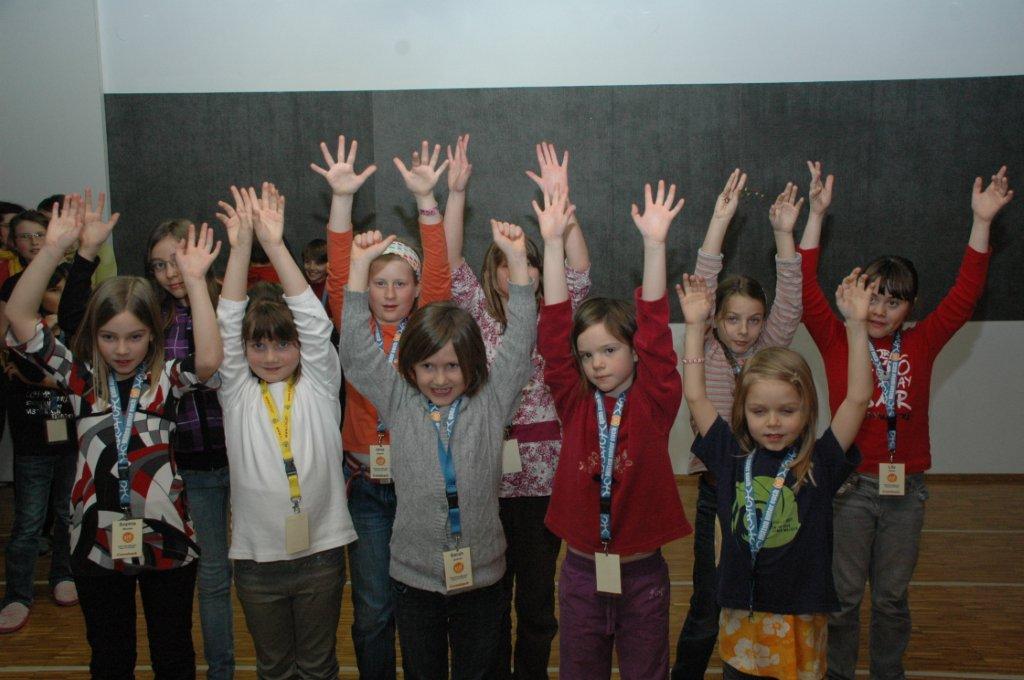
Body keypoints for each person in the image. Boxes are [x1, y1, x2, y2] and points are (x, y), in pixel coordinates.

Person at [796, 163, 1015, 680]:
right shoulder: (836, 337)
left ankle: (888, 673)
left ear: (909, 308)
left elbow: (965, 294)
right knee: (844, 599)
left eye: (893, 302)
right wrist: (816, 216)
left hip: (906, 491)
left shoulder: (922, 341)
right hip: (849, 488)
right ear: (858, 294)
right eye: (873, 296)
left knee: (892, 600)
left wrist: (982, 222)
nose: (880, 310)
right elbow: (803, 286)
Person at [5, 195, 222, 679]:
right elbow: (19, 319)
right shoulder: (80, 379)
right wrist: (52, 249)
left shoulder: (165, 379)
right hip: (95, 541)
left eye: (135, 337)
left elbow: (208, 359)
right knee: (109, 655)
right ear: (93, 337)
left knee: (174, 653)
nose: (122, 349)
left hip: (168, 538)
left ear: (153, 335)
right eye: (109, 337)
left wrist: (195, 281)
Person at [340, 211, 537, 680]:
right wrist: (357, 271)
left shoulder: (492, 402)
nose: (441, 378)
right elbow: (355, 352)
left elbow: (521, 339)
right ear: (410, 368)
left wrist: (517, 263)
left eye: (452, 366)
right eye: (428, 366)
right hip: (414, 582)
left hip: (482, 579)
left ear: (473, 364)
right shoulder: (399, 399)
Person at [680, 264, 875, 680]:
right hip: (743, 612)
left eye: (787, 411)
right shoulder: (729, 456)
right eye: (759, 411)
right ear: (742, 411)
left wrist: (857, 327)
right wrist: (694, 327)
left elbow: (858, 399)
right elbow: (695, 395)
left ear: (807, 411)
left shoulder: (819, 462)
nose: (772, 422)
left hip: (799, 615)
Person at [444, 138, 591, 679]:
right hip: (484, 474)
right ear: (493, 273)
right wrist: (455, 193)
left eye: (528, 260)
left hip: (543, 479)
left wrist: (563, 209)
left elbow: (578, 271)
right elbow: (450, 260)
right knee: (488, 596)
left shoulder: (555, 316)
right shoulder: (476, 314)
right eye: (508, 263)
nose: (519, 270)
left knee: (535, 600)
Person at [537, 181, 691, 679]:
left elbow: (656, 329)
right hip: (582, 574)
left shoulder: (654, 400)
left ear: (634, 351)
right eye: (587, 355)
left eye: (609, 350)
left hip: (642, 577)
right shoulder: (575, 401)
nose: (597, 364)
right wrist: (553, 244)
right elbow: (554, 333)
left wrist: (654, 245)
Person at [314, 134, 451, 680]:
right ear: (364, 288)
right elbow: (338, 275)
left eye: (401, 284)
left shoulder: (426, 331)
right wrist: (342, 200)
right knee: (373, 612)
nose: (390, 294)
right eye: (379, 283)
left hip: (418, 482)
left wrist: (426, 200)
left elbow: (440, 275)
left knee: (419, 604)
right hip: (365, 488)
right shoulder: (353, 330)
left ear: (416, 290)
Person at [215, 183, 356, 680]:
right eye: (259, 347)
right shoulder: (236, 391)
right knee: (274, 668)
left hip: (321, 553)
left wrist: (274, 245)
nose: (271, 357)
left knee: (318, 665)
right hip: (257, 560)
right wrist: (241, 248)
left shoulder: (319, 383)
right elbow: (228, 323)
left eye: (282, 345)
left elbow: (315, 324)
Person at [673, 170, 804, 679]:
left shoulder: (769, 350)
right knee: (708, 601)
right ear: (716, 320)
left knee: (762, 594)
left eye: (753, 319)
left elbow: (790, 298)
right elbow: (703, 282)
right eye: (733, 319)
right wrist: (719, 220)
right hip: (716, 490)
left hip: (767, 488)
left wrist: (784, 235)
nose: (744, 330)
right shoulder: (705, 347)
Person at [0, 261, 77, 634]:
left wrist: (52, 379)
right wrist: (51, 378)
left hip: (71, 439)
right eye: (53, 290)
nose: (60, 297)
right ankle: (17, 594)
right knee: (29, 521)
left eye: (64, 290)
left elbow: (79, 378)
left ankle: (65, 575)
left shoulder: (76, 330)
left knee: (67, 514)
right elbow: (28, 369)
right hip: (33, 441)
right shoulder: (24, 331)